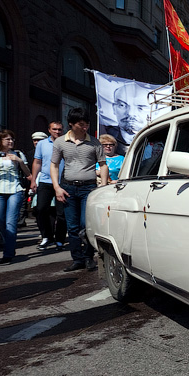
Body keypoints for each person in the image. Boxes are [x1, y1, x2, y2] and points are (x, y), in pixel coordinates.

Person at [52, 107, 108, 272]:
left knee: (87, 224)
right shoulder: (60, 142)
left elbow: (103, 165)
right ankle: (77, 259)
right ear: (71, 124)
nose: (85, 128)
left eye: (87, 124)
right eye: (81, 125)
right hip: (68, 187)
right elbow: (54, 165)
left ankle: (89, 257)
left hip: (89, 188)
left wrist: (103, 187)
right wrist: (57, 187)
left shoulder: (95, 142)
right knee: (73, 226)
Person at [0, 130, 32, 264]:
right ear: (0, 141)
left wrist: (20, 161)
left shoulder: (18, 153)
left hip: (15, 189)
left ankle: (8, 253)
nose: (11, 142)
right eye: (7, 139)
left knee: (11, 222)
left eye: (12, 139)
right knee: (0, 221)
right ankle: (8, 243)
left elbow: (28, 173)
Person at [32, 123, 68, 251]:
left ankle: (60, 240)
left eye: (59, 129)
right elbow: (37, 162)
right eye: (54, 129)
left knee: (61, 214)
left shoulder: (67, 142)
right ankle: (47, 237)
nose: (57, 132)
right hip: (45, 181)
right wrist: (33, 180)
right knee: (41, 209)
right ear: (49, 130)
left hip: (62, 182)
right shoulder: (42, 144)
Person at [103, 82, 151, 155]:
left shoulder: (155, 138)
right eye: (122, 105)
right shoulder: (109, 137)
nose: (130, 113)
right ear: (114, 108)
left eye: (140, 107)